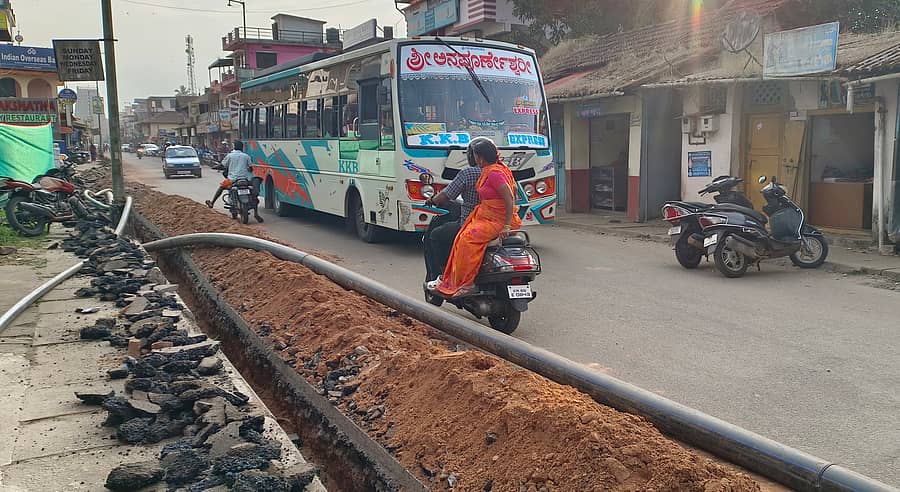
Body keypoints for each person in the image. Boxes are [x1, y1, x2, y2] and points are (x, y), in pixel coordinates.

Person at [429, 138, 521, 297]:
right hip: (486, 216)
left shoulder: (493, 173)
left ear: (480, 157)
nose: (475, 158)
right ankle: (453, 277)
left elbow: (509, 198)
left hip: (495, 220)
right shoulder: (494, 170)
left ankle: (466, 283)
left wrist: (506, 226)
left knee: (465, 239)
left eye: (476, 155)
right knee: (461, 235)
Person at [422, 162, 482, 282]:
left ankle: (444, 276)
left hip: (471, 223)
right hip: (499, 225)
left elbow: (446, 194)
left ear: (476, 156)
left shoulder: (469, 173)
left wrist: (433, 200)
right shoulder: (502, 172)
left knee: (436, 235)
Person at [205, 140, 264, 223]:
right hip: (246, 180)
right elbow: (250, 168)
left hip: (233, 180)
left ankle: (212, 203)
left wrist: (214, 167)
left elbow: (222, 165)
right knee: (254, 195)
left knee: (221, 187)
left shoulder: (230, 156)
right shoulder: (246, 156)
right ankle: (256, 214)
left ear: (234, 147)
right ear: (242, 147)